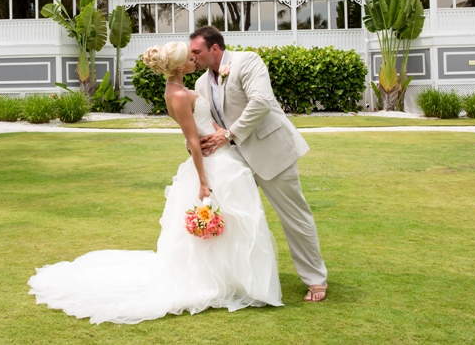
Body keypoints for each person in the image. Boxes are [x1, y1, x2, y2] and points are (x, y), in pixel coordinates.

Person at [27, 41, 282, 324]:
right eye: (189, 58)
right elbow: (193, 142)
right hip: (211, 163)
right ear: (178, 67)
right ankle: (226, 281)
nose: (194, 61)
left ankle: (232, 278)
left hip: (220, 155)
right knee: (230, 221)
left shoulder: (178, 90)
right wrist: (203, 182)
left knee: (233, 223)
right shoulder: (180, 96)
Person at [190, 25, 328, 302]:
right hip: (233, 160)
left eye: (197, 52)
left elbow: (262, 102)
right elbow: (209, 122)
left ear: (215, 48)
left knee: (294, 216)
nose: (192, 57)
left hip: (271, 151)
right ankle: (237, 280)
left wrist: (229, 134)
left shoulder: (247, 61)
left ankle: (316, 280)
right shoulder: (200, 84)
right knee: (235, 220)